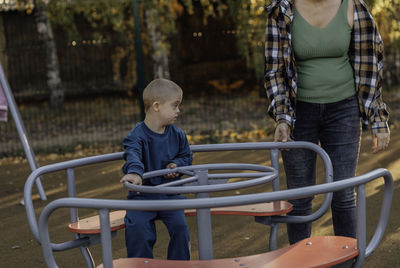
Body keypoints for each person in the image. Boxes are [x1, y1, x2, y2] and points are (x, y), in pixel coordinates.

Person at [264, 0, 390, 244]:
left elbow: (371, 64)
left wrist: (377, 117)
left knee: (343, 193)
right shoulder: (282, 11)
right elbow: (274, 70)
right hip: (298, 113)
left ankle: (348, 259)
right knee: (300, 197)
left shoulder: (354, 7)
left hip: (343, 109)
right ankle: (301, 260)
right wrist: (282, 118)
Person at [120, 78, 192, 259]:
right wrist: (135, 173)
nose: (178, 111)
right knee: (138, 230)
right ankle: (141, 264)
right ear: (157, 106)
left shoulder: (178, 135)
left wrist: (178, 165)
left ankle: (179, 265)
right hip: (142, 196)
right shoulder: (137, 135)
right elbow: (133, 155)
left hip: (170, 194)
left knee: (180, 229)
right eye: (175, 106)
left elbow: (186, 156)